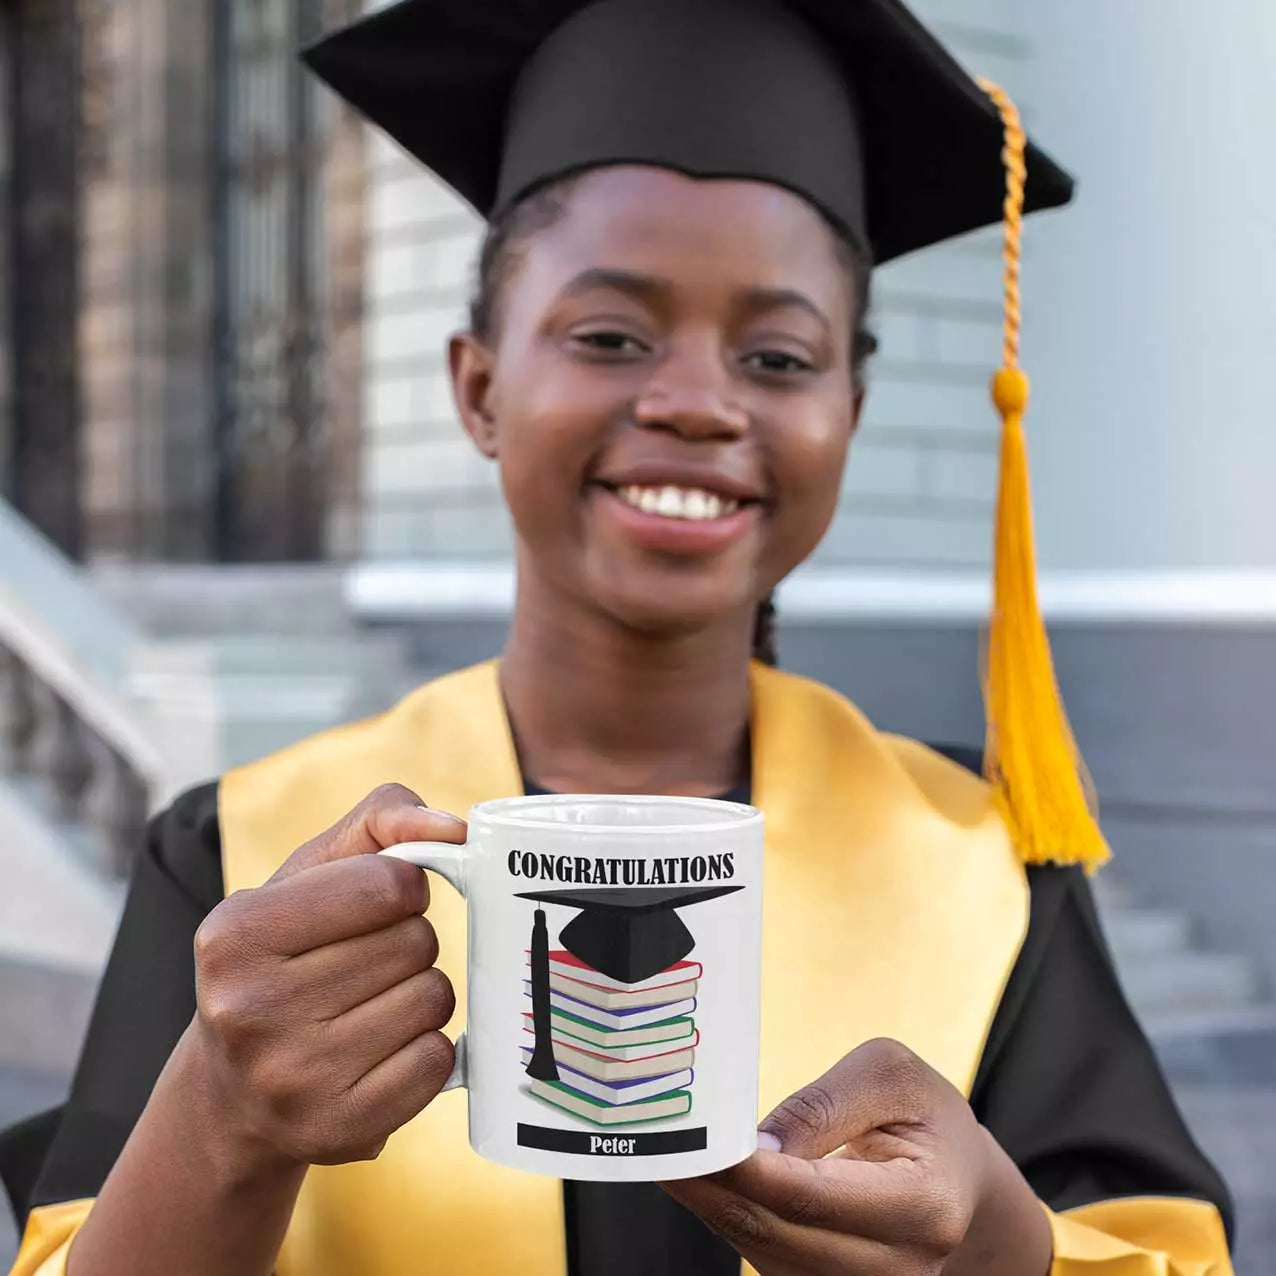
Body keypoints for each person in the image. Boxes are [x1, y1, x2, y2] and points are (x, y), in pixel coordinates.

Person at [3, 0, 1233, 1273]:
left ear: (849, 412)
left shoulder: (983, 865)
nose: (696, 402)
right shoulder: (252, 859)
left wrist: (1000, 1250)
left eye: (776, 355)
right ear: (480, 388)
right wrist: (221, 1119)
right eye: (608, 336)